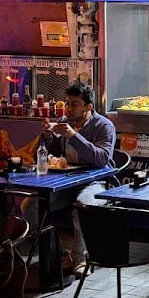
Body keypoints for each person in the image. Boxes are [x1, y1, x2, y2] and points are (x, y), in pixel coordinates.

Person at [39, 81, 116, 276]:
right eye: (67, 103)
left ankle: (82, 258)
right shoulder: (64, 121)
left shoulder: (103, 126)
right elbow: (50, 155)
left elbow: (101, 159)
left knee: (82, 206)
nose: (68, 108)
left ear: (88, 107)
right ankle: (57, 253)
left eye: (74, 104)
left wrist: (74, 136)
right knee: (31, 205)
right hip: (65, 181)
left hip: (96, 181)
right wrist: (47, 138)